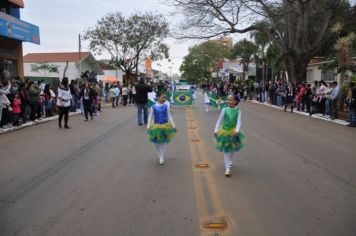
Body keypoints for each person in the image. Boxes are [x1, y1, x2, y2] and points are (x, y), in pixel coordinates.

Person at [214, 94, 244, 177]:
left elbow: (239, 122)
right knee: (226, 150)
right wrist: (216, 130)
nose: (228, 101)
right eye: (227, 99)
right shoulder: (224, 110)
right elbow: (219, 121)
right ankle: (227, 169)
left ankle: (230, 160)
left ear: (235, 102)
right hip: (224, 132)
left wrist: (237, 131)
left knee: (232, 148)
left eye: (230, 100)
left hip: (234, 132)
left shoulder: (238, 111)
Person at [147, 92, 177, 165]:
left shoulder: (166, 106)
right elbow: (150, 117)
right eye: (162, 97)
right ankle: (159, 155)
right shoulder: (153, 106)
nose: (164, 99)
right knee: (156, 144)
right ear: (158, 97)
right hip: (156, 126)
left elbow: (169, 116)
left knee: (163, 143)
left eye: (165, 98)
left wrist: (173, 125)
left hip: (165, 126)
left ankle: (162, 157)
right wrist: (148, 126)